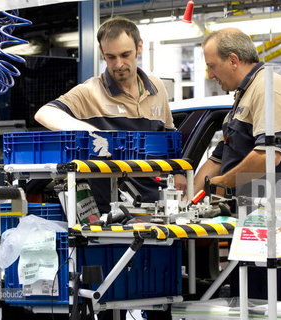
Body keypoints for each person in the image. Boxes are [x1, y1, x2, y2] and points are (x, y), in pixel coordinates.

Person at [35, 16, 186, 213]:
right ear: (101, 53)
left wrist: (179, 172)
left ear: (139, 48)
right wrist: (93, 133)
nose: (118, 64)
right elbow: (44, 113)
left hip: (156, 206)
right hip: (112, 212)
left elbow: (168, 136)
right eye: (111, 57)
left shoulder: (156, 87)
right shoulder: (90, 92)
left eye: (125, 54)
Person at [193, 28, 281, 301]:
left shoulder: (269, 87)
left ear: (233, 60)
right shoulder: (244, 94)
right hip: (251, 217)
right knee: (245, 302)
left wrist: (220, 184)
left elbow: (268, 157)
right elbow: (218, 158)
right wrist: (190, 200)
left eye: (212, 66)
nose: (210, 75)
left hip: (273, 220)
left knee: (262, 304)